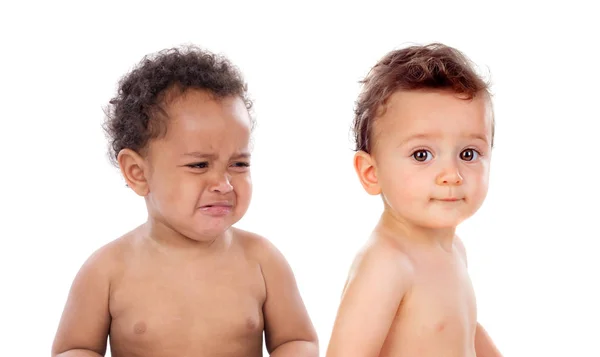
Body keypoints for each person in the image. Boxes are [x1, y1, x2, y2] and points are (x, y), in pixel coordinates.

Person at [51, 46, 318, 357]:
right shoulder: (107, 270)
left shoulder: (263, 261)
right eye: (199, 165)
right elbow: (74, 348)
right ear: (138, 173)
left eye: (239, 164)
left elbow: (297, 340)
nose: (223, 184)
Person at [326, 43, 503, 357]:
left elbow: (462, 326)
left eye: (469, 154)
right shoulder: (387, 264)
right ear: (371, 172)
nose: (451, 174)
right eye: (422, 155)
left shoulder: (453, 250)